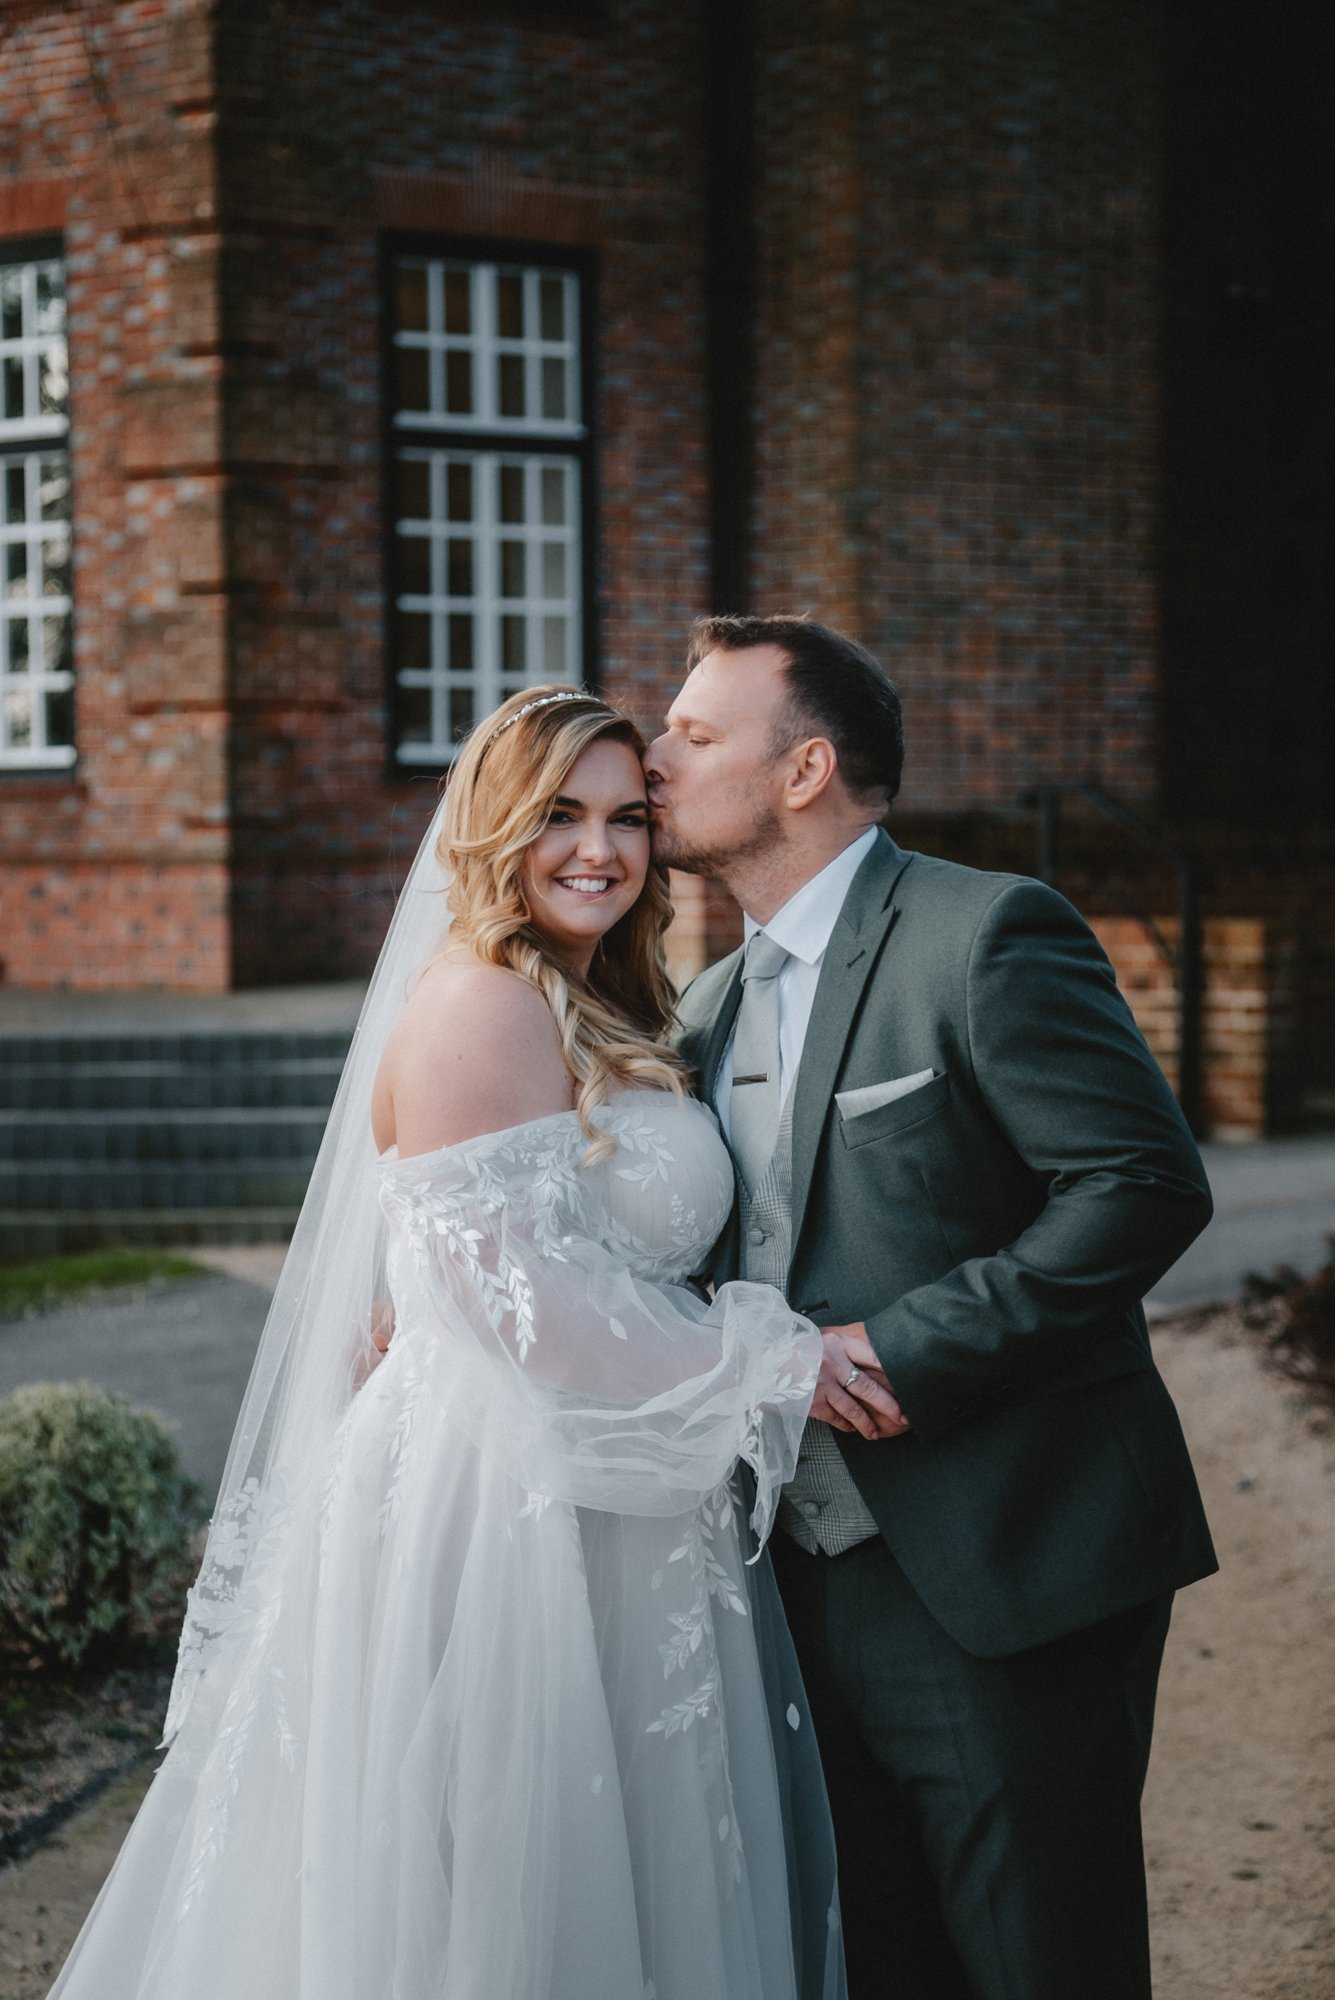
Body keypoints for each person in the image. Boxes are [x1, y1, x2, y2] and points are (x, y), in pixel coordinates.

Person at [46, 686, 866, 2000]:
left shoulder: (599, 998)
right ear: (492, 829)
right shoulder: (484, 1001)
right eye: (557, 816)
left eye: (622, 818)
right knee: (497, 1891)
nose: (597, 850)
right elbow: (525, 1305)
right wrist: (776, 1364)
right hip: (503, 1513)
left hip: (610, 1485)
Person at [647, 615, 1218, 2000]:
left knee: (1042, 1964)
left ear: (805, 770)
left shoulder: (986, 932)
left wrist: (906, 1345)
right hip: (786, 1581)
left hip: (1004, 1558)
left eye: (695, 733)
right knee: (877, 1963)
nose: (655, 756)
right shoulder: (706, 1006)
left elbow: (1140, 1185)